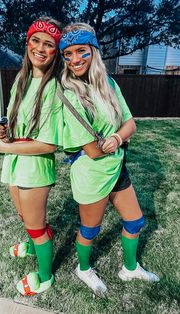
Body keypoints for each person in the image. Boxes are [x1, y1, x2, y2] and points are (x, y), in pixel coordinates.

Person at [59, 23, 159, 297]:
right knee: (90, 229)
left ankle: (129, 268)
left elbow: (130, 124)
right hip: (91, 174)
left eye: (81, 51)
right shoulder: (69, 93)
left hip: (117, 166)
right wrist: (119, 138)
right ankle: (83, 268)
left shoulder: (110, 84)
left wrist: (115, 139)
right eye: (67, 54)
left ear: (94, 51)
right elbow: (91, 150)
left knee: (135, 222)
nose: (74, 59)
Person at [0, 17, 63, 296]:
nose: (41, 49)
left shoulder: (54, 87)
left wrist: (6, 147)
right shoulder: (21, 78)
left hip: (34, 164)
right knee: (25, 215)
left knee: (35, 225)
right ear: (27, 43)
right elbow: (13, 119)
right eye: (36, 40)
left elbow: (48, 144)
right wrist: (2, 128)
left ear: (55, 52)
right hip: (15, 160)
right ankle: (35, 244)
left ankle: (45, 277)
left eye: (49, 44)